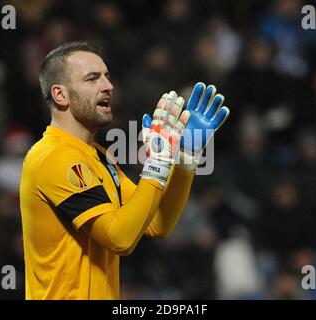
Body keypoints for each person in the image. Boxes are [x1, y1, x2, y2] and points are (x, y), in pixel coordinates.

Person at [19, 41, 229, 299]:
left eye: (107, 76)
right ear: (61, 95)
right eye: (92, 79)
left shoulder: (99, 156)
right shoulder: (54, 156)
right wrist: (158, 163)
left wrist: (184, 159)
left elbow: (157, 224)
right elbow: (119, 239)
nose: (108, 86)